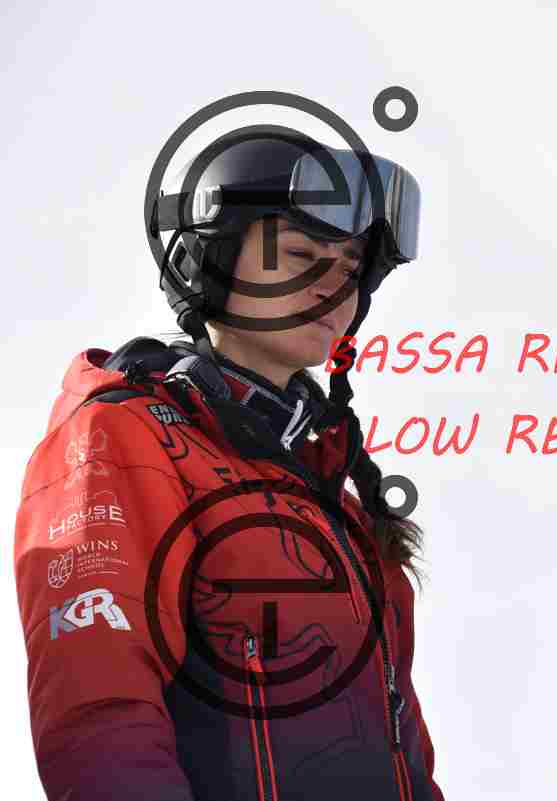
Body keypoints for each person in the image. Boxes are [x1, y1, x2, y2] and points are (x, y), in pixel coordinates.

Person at [12, 130, 442, 800]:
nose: (332, 286)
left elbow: (407, 761)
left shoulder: (346, 510)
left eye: (350, 268)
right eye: (300, 254)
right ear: (209, 260)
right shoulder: (126, 439)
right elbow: (101, 714)